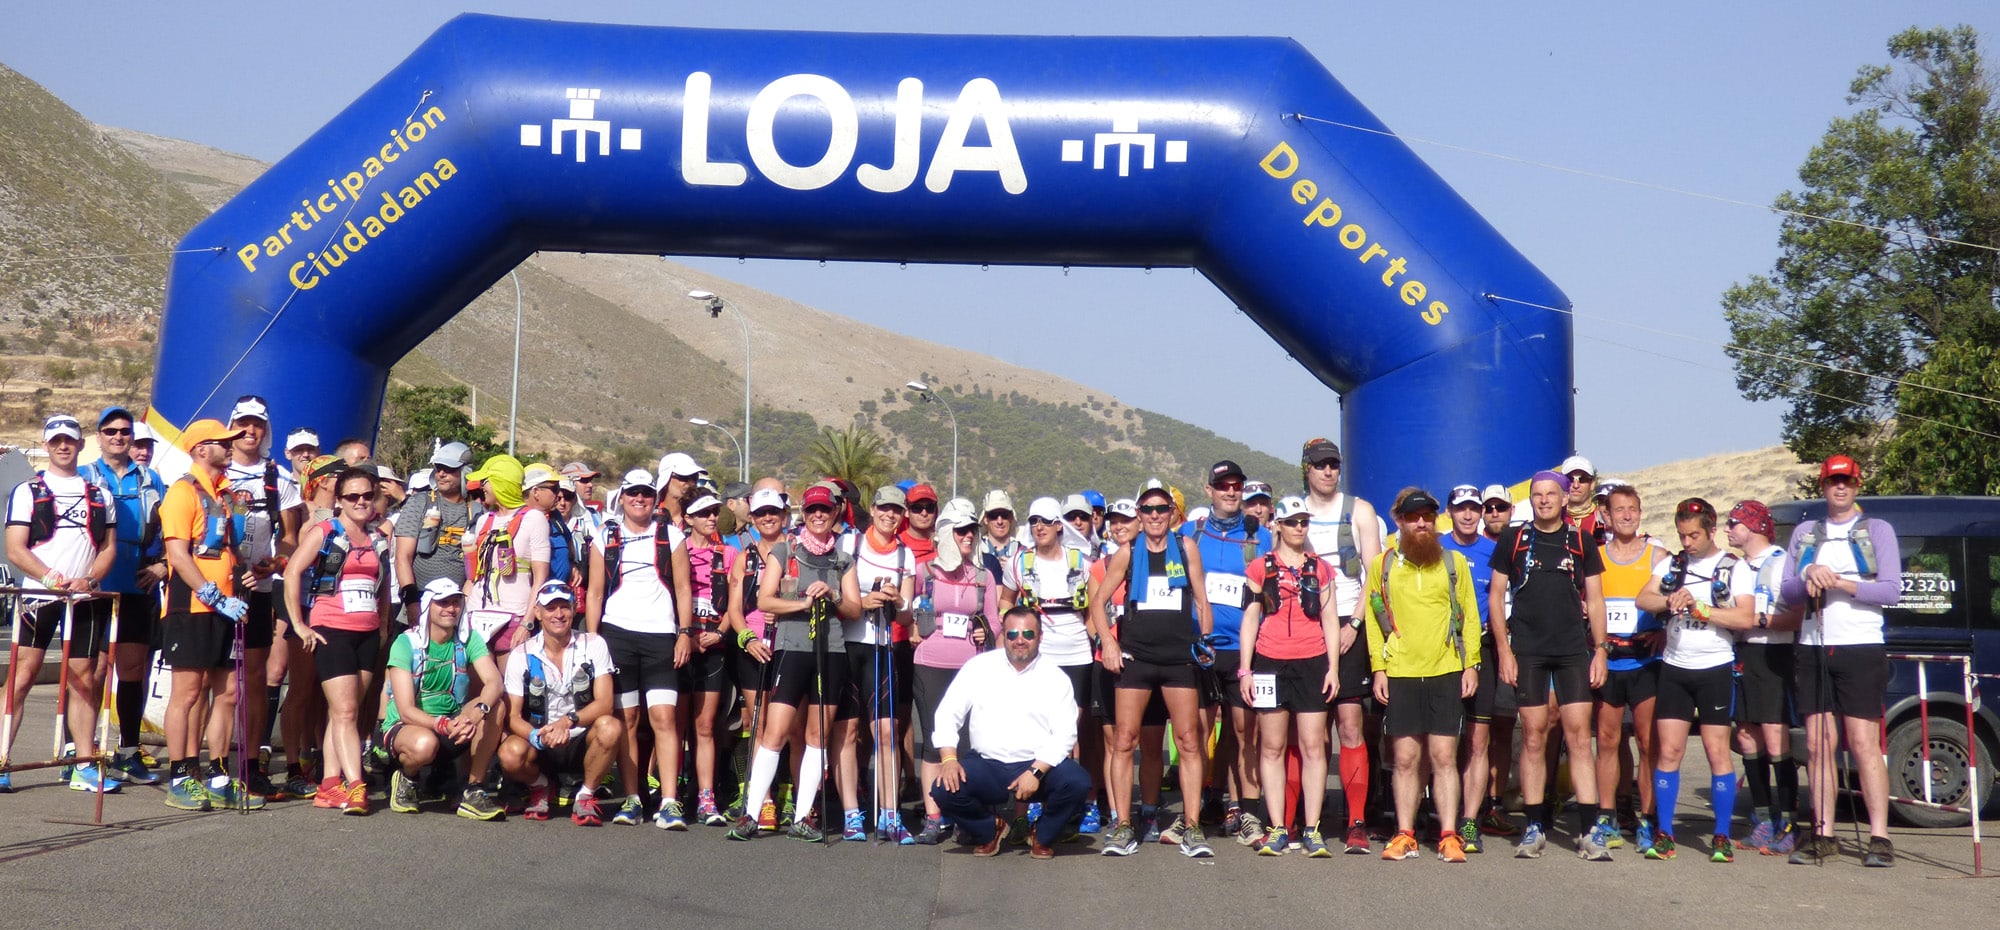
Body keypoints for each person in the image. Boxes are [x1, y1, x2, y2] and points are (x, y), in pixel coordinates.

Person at [1780, 454, 1901, 868]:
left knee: (1864, 743)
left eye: (1847, 481)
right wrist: (1810, 573)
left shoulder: (1876, 529)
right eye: (1833, 481)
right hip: (1813, 645)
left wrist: (1841, 583)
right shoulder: (1805, 533)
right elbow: (1788, 592)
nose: (1840, 488)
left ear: (1857, 483)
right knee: (1817, 744)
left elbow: (1890, 590)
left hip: (1861, 645)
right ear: (1823, 486)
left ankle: (1880, 837)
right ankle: (1822, 832)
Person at [728, 483, 863, 843]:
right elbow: (764, 600)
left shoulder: (843, 560)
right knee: (775, 733)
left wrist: (832, 595)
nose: (819, 516)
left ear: (835, 514)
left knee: (817, 735)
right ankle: (751, 814)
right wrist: (803, 604)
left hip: (830, 652)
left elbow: (854, 609)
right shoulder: (786, 551)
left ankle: (804, 816)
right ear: (803, 514)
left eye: (826, 510)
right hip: (791, 650)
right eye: (812, 510)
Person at [1488, 469, 1611, 859]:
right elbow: (1495, 597)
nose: (1544, 500)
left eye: (1550, 494)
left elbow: (1595, 599)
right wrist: (1505, 651)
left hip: (1573, 651)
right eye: (1537, 495)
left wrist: (1602, 650)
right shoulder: (1514, 538)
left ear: (1563, 498)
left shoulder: (1580, 540)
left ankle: (1590, 830)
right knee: (1535, 737)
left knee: (1578, 737)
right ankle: (1535, 825)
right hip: (1529, 652)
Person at [1089, 480, 1215, 858]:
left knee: (1189, 741)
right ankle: (1123, 824)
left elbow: (1202, 598)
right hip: (1136, 657)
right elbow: (1098, 604)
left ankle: (1192, 828)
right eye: (1148, 510)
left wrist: (1204, 641)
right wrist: (1109, 644)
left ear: (1173, 515)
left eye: (1162, 509)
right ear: (1140, 517)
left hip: (1179, 658)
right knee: (1125, 740)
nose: (1156, 516)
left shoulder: (1186, 546)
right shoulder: (1127, 552)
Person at [3, 414, 120, 793]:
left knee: (84, 678)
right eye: (56, 442)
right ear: (47, 445)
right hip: (38, 598)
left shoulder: (100, 495)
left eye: (70, 440)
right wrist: (51, 579)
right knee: (22, 677)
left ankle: (83, 763)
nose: (63, 447)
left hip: (83, 598)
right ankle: (1, 760)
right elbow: (15, 549)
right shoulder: (27, 491)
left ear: (81, 444)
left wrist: (88, 579)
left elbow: (108, 548)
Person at [1634, 498, 1756, 862]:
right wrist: (1670, 598)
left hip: (1715, 667)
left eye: (1694, 535)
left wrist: (1702, 609)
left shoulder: (1734, 567)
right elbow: (1643, 599)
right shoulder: (1673, 563)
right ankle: (1665, 833)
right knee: (1669, 751)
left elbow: (1746, 617)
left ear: (1711, 530)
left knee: (1717, 751)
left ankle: (1720, 835)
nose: (1687, 542)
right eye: (1682, 535)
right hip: (1675, 666)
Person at [1364, 489, 1481, 862]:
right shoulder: (1383, 565)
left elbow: (1471, 615)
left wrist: (1471, 665)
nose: (1421, 523)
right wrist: (1378, 668)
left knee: (1444, 756)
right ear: (1398, 519)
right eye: (1413, 517)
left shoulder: (1453, 562)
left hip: (1446, 669)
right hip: (1400, 670)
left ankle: (1448, 835)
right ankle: (1405, 833)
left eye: (1428, 517)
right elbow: (1372, 619)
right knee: (1405, 758)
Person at [929, 606, 1093, 860]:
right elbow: (947, 713)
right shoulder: (978, 667)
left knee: (1078, 782)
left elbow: (1065, 734)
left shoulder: (1056, 677)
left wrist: (1036, 771)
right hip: (987, 764)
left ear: (1040, 637)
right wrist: (949, 759)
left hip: (1037, 765)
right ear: (1002, 636)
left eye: (1028, 633)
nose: (1020, 640)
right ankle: (989, 829)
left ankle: (1042, 834)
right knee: (942, 788)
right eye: (1012, 634)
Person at [157, 419, 259, 811]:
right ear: (201, 448)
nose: (232, 446)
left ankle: (218, 774)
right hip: (193, 607)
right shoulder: (182, 492)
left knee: (229, 692)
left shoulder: (227, 493)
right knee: (187, 692)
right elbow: (179, 555)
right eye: (224, 442)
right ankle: (181, 775)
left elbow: (227, 547)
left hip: (228, 607)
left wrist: (249, 569)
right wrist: (212, 593)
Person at [585, 468, 695, 829]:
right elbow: (595, 592)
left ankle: (668, 801)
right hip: (617, 635)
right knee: (627, 719)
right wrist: (591, 640)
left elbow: (682, 589)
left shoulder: (671, 535)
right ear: (623, 496)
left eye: (646, 493)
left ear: (654, 497)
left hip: (661, 635)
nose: (639, 499)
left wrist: (683, 632)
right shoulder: (605, 537)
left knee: (663, 718)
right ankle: (632, 799)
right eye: (633, 492)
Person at [283, 465, 395, 814]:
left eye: (367, 495)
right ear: (340, 500)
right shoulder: (324, 531)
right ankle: (355, 785)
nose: (361, 502)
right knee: (346, 711)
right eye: (352, 496)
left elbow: (383, 587)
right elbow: (291, 572)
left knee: (344, 711)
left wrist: (383, 627)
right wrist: (299, 625)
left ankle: (330, 784)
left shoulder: (378, 536)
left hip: (367, 632)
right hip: (331, 629)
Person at [1236, 495, 1338, 857]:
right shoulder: (1260, 566)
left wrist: (1333, 669)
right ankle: (1278, 827)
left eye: (1303, 522)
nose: (1298, 528)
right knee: (1272, 746)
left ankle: (1311, 828)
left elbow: (1329, 619)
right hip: (1270, 662)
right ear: (1276, 524)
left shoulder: (1321, 568)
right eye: (1292, 521)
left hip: (1311, 661)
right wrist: (1245, 669)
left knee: (1313, 747)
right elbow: (1250, 619)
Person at [1181, 459, 1273, 845]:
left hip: (1243, 649)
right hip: (1200, 647)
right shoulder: (1189, 533)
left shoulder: (1261, 537)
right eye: (1223, 486)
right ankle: (1204, 801)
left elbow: (1271, 591)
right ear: (1210, 491)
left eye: (1237, 485)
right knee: (1198, 731)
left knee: (1244, 732)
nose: (1231, 492)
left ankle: (1245, 808)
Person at [1298, 438, 1382, 853]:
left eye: (1334, 464)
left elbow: (1375, 572)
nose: (1328, 471)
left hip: (1350, 627)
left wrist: (1354, 623)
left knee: (1350, 724)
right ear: (1306, 470)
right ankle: (1302, 817)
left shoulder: (1359, 510)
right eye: (1320, 465)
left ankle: (1356, 821)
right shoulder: (1293, 513)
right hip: (1306, 634)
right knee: (1309, 732)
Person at [78, 405, 169, 787]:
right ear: (99, 436)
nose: (118, 437)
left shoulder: (153, 480)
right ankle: (78, 751)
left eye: (124, 431)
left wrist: (164, 564)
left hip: (137, 584)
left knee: (132, 668)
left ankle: (128, 751)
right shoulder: (84, 475)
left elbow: (172, 529)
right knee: (91, 670)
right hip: (94, 585)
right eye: (110, 431)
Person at [1001, 495, 1100, 840]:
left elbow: (1093, 611)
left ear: (1060, 525)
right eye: (1033, 522)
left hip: (1076, 653)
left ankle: (1084, 800)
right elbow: (1005, 602)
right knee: (1039, 727)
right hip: (1038, 656)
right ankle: (1040, 798)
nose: (1039, 527)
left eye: (1045, 521)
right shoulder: (1018, 562)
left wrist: (1101, 643)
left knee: (1077, 728)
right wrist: (1008, 634)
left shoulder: (1082, 562)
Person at [222, 394, 303, 800]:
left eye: (257, 424)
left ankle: (250, 766)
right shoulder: (215, 470)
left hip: (259, 590)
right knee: (215, 683)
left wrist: (271, 564)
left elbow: (290, 538)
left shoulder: (280, 478)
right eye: (243, 423)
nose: (250, 431)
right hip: (216, 589)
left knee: (253, 680)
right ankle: (213, 767)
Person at [498, 581, 624, 825]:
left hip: (579, 735)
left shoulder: (594, 643)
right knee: (509, 754)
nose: (558, 614)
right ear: (538, 612)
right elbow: (512, 716)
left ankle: (586, 795)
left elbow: (605, 702)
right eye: (550, 608)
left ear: (574, 608)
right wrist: (538, 735)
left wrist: (567, 723)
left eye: (564, 607)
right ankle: (540, 786)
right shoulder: (521, 654)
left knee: (611, 727)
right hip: (540, 739)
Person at [380, 578, 505, 819]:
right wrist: (443, 724)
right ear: (428, 606)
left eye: (456, 602)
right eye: (443, 603)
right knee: (425, 745)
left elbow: (494, 681)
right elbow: (405, 709)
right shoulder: (406, 643)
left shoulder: (469, 638)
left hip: (454, 722)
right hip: (409, 727)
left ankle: (473, 790)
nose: (450, 609)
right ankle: (407, 777)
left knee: (495, 706)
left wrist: (478, 712)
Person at [908, 505, 996, 843]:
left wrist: (984, 631)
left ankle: (963, 812)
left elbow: (994, 621)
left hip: (972, 667)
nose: (969, 536)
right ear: (946, 533)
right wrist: (912, 621)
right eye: (961, 531)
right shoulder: (924, 571)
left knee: (971, 742)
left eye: (972, 530)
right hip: (930, 663)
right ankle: (934, 817)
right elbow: (907, 612)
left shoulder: (983, 576)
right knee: (935, 742)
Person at [1726, 500, 1803, 856]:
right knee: (1745, 735)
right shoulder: (1739, 566)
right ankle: (1761, 819)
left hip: (1775, 652)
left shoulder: (1780, 561)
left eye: (1734, 522)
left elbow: (1796, 618)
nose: (1728, 529)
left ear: (1754, 526)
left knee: (1776, 738)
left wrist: (1755, 620)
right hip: (1743, 654)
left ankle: (1789, 823)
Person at [1440, 484, 1513, 853]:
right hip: (1439, 651)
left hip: (1481, 650)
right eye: (1461, 508)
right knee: (1441, 742)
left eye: (1474, 508)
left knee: (1477, 740)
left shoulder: (1495, 551)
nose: (1468, 515)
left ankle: (1469, 821)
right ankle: (1440, 817)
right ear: (1449, 512)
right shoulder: (1435, 547)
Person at [843, 486, 916, 843]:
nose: (890, 515)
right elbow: (840, 598)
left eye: (896, 510)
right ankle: (851, 814)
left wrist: (898, 599)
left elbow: (907, 611)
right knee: (849, 732)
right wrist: (864, 600)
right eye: (884, 508)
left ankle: (890, 814)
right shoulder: (850, 545)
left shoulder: (906, 554)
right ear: (872, 510)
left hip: (882, 647)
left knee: (887, 732)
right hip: (848, 645)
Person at [725, 487, 788, 829]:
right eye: (761, 513)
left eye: (773, 513)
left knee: (789, 726)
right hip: (753, 647)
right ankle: (763, 800)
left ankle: (791, 794)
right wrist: (746, 638)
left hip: (789, 646)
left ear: (784, 515)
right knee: (760, 723)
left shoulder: (794, 553)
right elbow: (734, 610)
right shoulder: (744, 557)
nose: (767, 518)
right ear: (752, 517)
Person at [681, 492, 739, 826]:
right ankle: (671, 794)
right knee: (675, 725)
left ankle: (706, 797)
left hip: (715, 645)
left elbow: (735, 600)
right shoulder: (676, 549)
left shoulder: (729, 552)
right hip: (682, 644)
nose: (712, 518)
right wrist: (685, 633)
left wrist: (719, 632)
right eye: (703, 513)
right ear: (688, 518)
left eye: (714, 512)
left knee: (705, 726)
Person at [462, 454, 550, 659]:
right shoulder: (484, 520)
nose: (482, 486)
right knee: (480, 687)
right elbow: (473, 576)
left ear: (502, 483)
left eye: (487, 481)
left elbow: (540, 578)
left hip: (514, 615)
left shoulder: (534, 519)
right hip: (476, 612)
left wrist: (528, 622)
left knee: (511, 689)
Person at [394, 442, 478, 626]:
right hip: (419, 599)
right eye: (439, 468)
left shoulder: (479, 511)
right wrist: (412, 603)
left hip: (457, 606)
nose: (441, 474)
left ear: (465, 472)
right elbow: (402, 557)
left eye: (449, 469)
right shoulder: (418, 503)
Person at [976, 490, 1020, 582]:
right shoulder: (975, 552)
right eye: (994, 515)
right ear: (985, 520)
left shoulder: (1022, 552)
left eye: (1004, 515)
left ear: (1011, 518)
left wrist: (1017, 571)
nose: (999, 521)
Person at [655, 452, 703, 532]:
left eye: (694, 477)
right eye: (683, 477)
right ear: (666, 479)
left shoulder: (702, 518)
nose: (691, 483)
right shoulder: (648, 517)